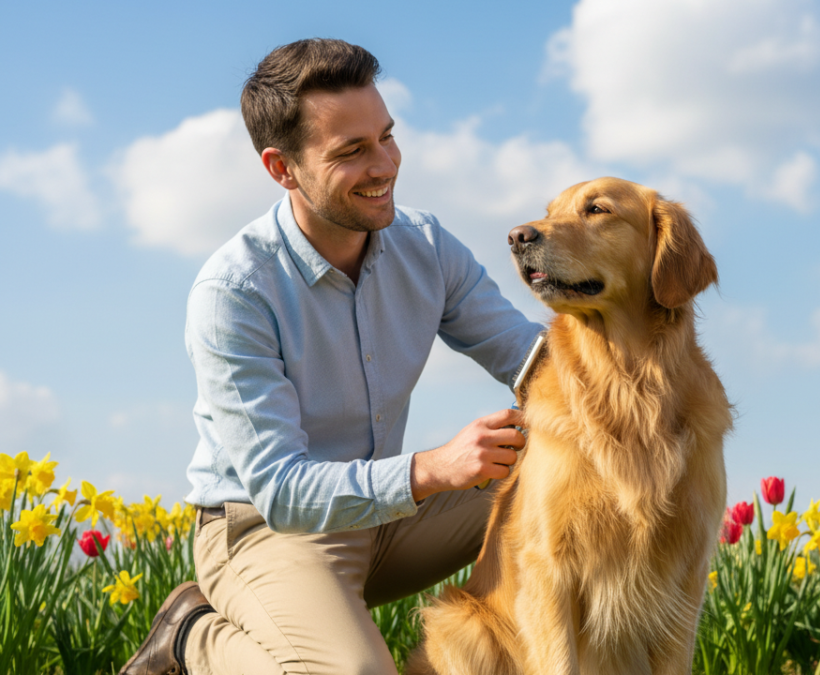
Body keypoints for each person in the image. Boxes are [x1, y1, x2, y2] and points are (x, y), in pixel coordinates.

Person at [119, 38, 543, 675]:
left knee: (567, 475)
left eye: (387, 137)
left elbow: (532, 359)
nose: (385, 165)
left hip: (387, 519)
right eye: (351, 151)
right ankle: (191, 637)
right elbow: (282, 491)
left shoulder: (426, 246)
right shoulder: (234, 292)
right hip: (267, 531)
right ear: (282, 168)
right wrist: (432, 468)